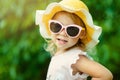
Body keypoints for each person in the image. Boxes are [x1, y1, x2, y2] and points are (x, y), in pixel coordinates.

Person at [35, 0, 113, 80]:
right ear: (49, 26)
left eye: (71, 30)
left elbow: (105, 75)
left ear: (82, 34)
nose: (62, 33)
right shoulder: (60, 53)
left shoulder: (75, 59)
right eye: (57, 26)